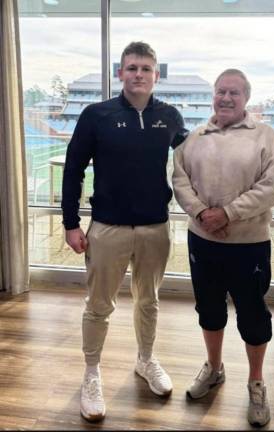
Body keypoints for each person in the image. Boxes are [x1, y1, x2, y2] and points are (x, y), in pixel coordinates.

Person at [62, 41, 187, 422]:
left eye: (146, 68)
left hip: (155, 228)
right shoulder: (95, 114)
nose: (138, 74)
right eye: (131, 67)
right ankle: (91, 373)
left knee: (148, 301)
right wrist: (70, 222)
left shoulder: (170, 116)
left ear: (156, 75)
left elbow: (194, 159)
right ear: (120, 73)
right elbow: (73, 168)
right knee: (99, 306)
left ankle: (146, 361)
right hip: (108, 228)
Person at [172, 69, 274, 427]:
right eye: (221, 91)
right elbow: (179, 180)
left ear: (246, 98)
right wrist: (204, 214)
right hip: (202, 240)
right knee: (208, 308)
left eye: (233, 93)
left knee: (252, 314)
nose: (225, 98)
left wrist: (228, 214)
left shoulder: (266, 137)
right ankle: (214, 368)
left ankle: (256, 382)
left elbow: (270, 188)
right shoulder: (195, 137)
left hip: (248, 244)